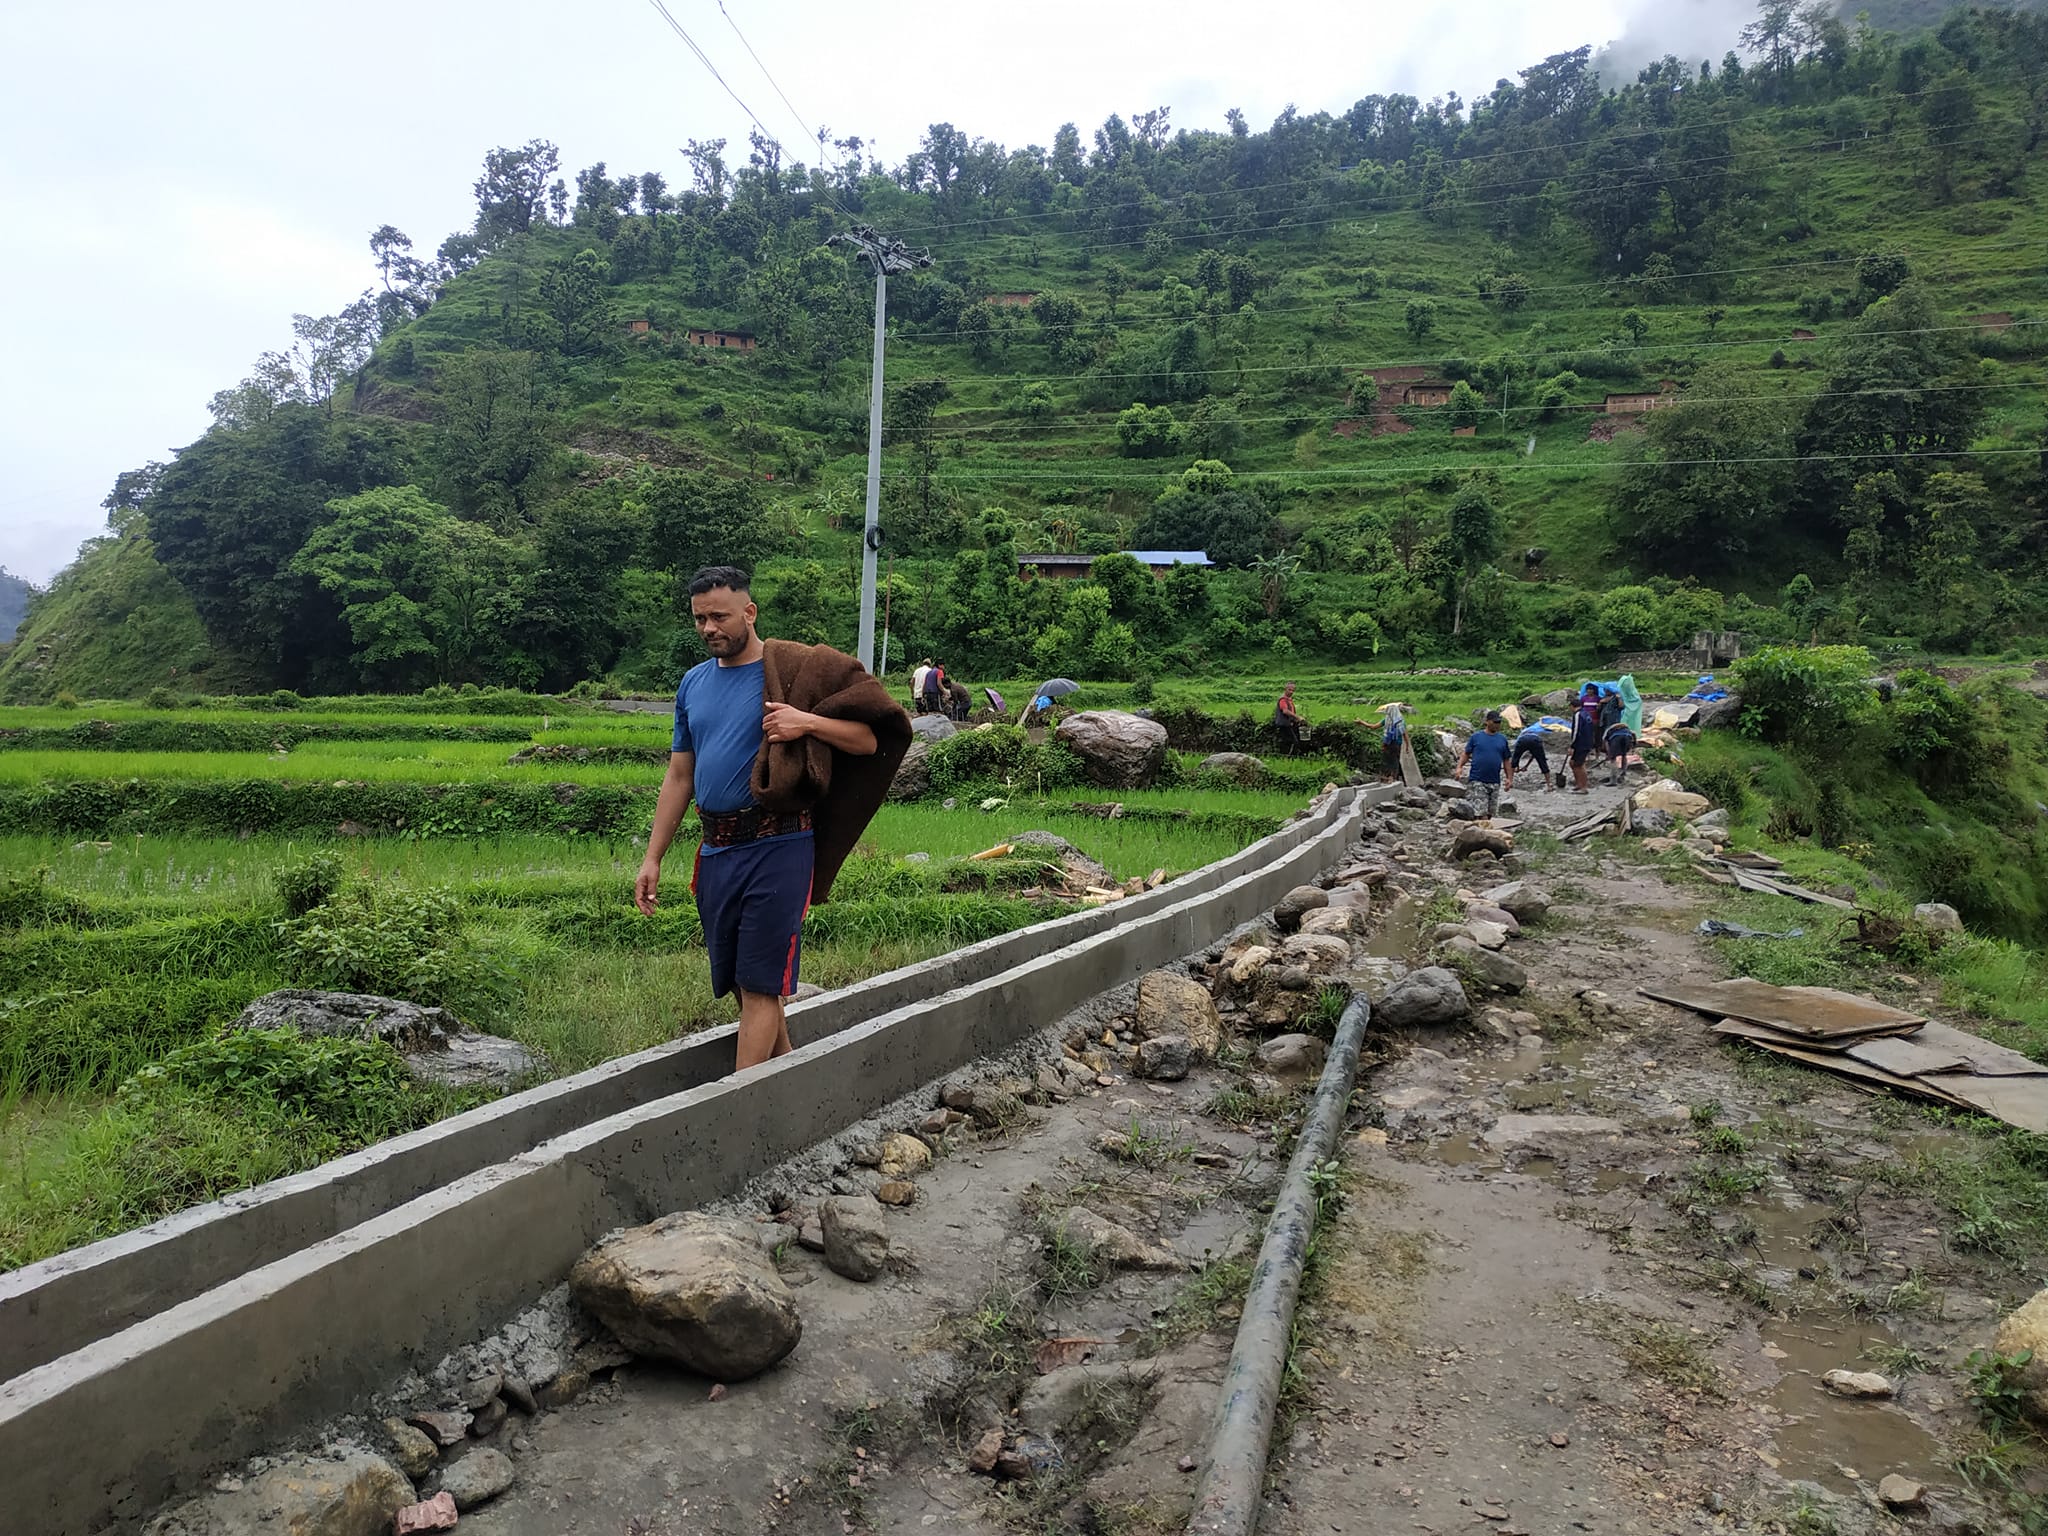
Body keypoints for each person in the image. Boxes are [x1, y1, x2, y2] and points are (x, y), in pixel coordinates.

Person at [635, 567, 911, 1072]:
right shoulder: (693, 684)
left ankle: (736, 1109)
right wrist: (652, 857)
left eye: (719, 616)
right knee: (744, 984)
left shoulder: (792, 670)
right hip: (716, 850)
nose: (709, 628)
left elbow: (870, 741)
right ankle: (792, 1084)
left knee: (762, 984)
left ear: (749, 612)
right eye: (699, 619)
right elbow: (680, 776)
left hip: (779, 846)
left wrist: (805, 721)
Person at [1458, 709, 1513, 817]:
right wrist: (1459, 767)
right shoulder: (1476, 737)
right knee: (1479, 812)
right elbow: (1466, 753)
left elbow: (1506, 760)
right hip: (1477, 780)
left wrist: (1509, 778)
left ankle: (1487, 832)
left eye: (1499, 722)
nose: (1497, 725)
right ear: (1487, 722)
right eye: (1495, 722)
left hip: (1494, 781)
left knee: (1491, 814)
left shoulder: (1502, 739)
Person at [1569, 682, 1602, 794]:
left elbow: (1576, 731)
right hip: (1587, 742)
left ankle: (1583, 787)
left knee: (1578, 765)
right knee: (1573, 763)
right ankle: (1579, 784)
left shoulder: (1578, 715)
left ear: (1572, 706)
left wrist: (1572, 746)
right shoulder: (1586, 714)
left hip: (1581, 744)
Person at [1510, 721, 1553, 789]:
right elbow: (1534, 755)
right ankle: (1549, 784)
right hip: (1535, 741)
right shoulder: (1536, 731)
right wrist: (1526, 766)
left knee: (1514, 761)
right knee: (1542, 762)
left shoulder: (1523, 732)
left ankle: (1510, 782)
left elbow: (1517, 754)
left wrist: (1517, 766)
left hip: (1522, 740)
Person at [1376, 702, 1409, 783]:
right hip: (1397, 744)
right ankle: (1393, 778)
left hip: (1387, 744)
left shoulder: (1386, 720)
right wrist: (1407, 746)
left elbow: (1373, 726)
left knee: (1386, 760)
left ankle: (1385, 777)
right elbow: (1405, 735)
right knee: (1395, 761)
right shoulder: (1400, 721)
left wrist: (1362, 723)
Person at [1273, 683, 1302, 756]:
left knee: (1288, 741)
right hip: (1283, 724)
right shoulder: (1283, 699)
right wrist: (1297, 717)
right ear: (1285, 689)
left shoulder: (1289, 700)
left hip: (1288, 724)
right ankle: (1289, 757)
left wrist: (1295, 719)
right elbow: (1285, 711)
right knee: (1293, 741)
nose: (1291, 692)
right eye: (1289, 690)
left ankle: (1286, 757)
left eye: (1293, 690)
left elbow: (1290, 712)